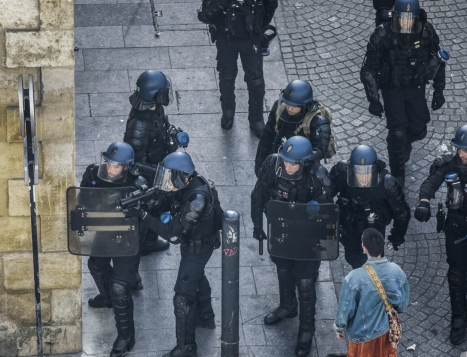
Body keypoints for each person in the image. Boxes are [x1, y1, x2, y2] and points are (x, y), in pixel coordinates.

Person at [123, 152, 220, 357]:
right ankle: (206, 316)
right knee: (197, 277)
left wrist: (144, 216)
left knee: (182, 297)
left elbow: (169, 232)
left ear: (183, 177)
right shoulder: (187, 183)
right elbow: (169, 199)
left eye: (170, 177)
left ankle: (187, 348)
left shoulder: (198, 200)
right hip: (194, 244)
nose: (167, 181)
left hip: (198, 248)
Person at [251, 136, 333, 357]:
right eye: (286, 161)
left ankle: (307, 330)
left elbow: (329, 216)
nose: (288, 166)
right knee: (283, 270)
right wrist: (258, 225)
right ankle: (287, 306)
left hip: (307, 239)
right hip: (282, 230)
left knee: (306, 284)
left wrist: (317, 214)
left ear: (304, 162)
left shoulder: (318, 178)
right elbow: (258, 194)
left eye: (293, 163)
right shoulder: (273, 164)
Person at [360, 0, 447, 185]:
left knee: (419, 129)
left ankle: (404, 144)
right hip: (393, 90)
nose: (406, 22)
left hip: (416, 87)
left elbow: (438, 60)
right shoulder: (383, 34)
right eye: (403, 18)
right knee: (397, 134)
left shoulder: (426, 32)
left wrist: (439, 91)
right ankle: (397, 175)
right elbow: (368, 70)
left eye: (410, 18)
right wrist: (374, 99)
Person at [414, 124, 467, 345]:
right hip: (457, 224)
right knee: (456, 273)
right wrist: (424, 202)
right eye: (459, 149)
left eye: (466, 150)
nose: (461, 154)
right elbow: (432, 182)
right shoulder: (451, 163)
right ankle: (459, 318)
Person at [79, 142, 146, 357]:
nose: (110, 169)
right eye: (108, 163)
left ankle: (126, 337)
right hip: (105, 229)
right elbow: (82, 201)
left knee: (120, 287)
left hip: (127, 238)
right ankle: (107, 298)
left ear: (126, 167)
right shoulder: (93, 174)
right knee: (96, 265)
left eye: (116, 166)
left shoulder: (138, 184)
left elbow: (145, 221)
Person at [334, 228, 410, 357]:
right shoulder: (397, 272)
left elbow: (345, 309)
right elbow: (402, 305)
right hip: (385, 333)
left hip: (362, 335)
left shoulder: (353, 278)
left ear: (364, 248)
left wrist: (339, 327)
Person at [197, 0, 278, 136]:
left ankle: (256, 118)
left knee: (256, 81)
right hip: (226, 38)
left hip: (251, 39)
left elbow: (271, 5)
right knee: (227, 76)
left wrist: (258, 26)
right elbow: (204, 16)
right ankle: (228, 111)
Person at [124, 70, 178, 258]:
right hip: (149, 175)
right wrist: (156, 174)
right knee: (147, 214)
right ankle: (135, 261)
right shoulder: (139, 125)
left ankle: (150, 242)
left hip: (159, 166)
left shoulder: (156, 109)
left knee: (161, 207)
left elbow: (162, 128)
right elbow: (133, 162)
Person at [330, 145, 410, 269]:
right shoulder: (342, 174)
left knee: (370, 266)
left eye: (367, 172)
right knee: (351, 257)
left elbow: (402, 213)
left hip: (374, 229)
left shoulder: (387, 184)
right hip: (350, 225)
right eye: (358, 173)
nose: (363, 178)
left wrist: (397, 236)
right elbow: (327, 192)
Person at [254, 80, 332, 177]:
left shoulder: (317, 121)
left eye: (295, 106)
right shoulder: (280, 109)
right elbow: (267, 136)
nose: (290, 109)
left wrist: (297, 163)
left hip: (301, 166)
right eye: (288, 104)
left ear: (305, 105)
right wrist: (259, 164)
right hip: (279, 154)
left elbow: (320, 150)